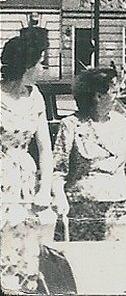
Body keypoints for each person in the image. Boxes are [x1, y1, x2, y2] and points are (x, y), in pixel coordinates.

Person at [1, 26, 61, 294]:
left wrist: (44, 189)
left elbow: (45, 148)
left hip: (25, 179)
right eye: (39, 62)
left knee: (26, 253)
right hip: (2, 179)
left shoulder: (35, 96)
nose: (42, 67)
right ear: (26, 65)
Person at [54, 67, 126, 241]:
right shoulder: (71, 125)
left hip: (120, 209)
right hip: (83, 211)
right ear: (97, 96)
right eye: (113, 92)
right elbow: (58, 170)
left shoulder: (122, 124)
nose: (117, 97)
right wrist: (59, 198)